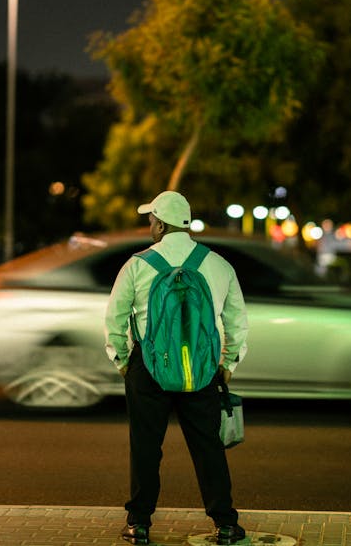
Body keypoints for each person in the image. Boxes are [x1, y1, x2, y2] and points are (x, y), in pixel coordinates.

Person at [105, 190, 249, 545]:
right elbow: (236, 321)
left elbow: (115, 318)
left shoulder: (138, 264)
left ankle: (139, 524)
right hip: (200, 369)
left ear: (160, 224)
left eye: (151, 219)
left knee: (146, 447)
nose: (149, 225)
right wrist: (228, 362)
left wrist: (122, 360)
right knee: (207, 447)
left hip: (149, 369)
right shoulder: (217, 264)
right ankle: (225, 523)